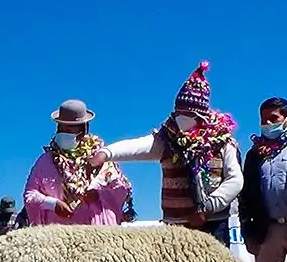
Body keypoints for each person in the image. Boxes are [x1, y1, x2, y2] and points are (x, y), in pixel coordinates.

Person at [89, 61, 242, 246]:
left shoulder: (222, 142)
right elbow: (139, 146)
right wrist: (107, 153)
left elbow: (235, 179)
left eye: (188, 114)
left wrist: (208, 207)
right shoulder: (166, 140)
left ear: (201, 116)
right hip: (176, 226)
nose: (181, 118)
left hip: (213, 223)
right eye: (179, 112)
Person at [24, 99, 132, 227]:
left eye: (69, 128)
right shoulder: (45, 162)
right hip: (58, 236)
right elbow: (30, 195)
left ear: (83, 129)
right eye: (60, 127)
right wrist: (53, 204)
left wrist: (98, 194)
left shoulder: (102, 160)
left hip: (96, 232)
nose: (62, 132)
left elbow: (121, 190)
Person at [238, 97, 287, 262]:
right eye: (264, 120)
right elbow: (246, 196)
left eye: (274, 118)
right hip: (267, 231)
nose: (268, 123)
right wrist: (248, 233)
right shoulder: (254, 155)